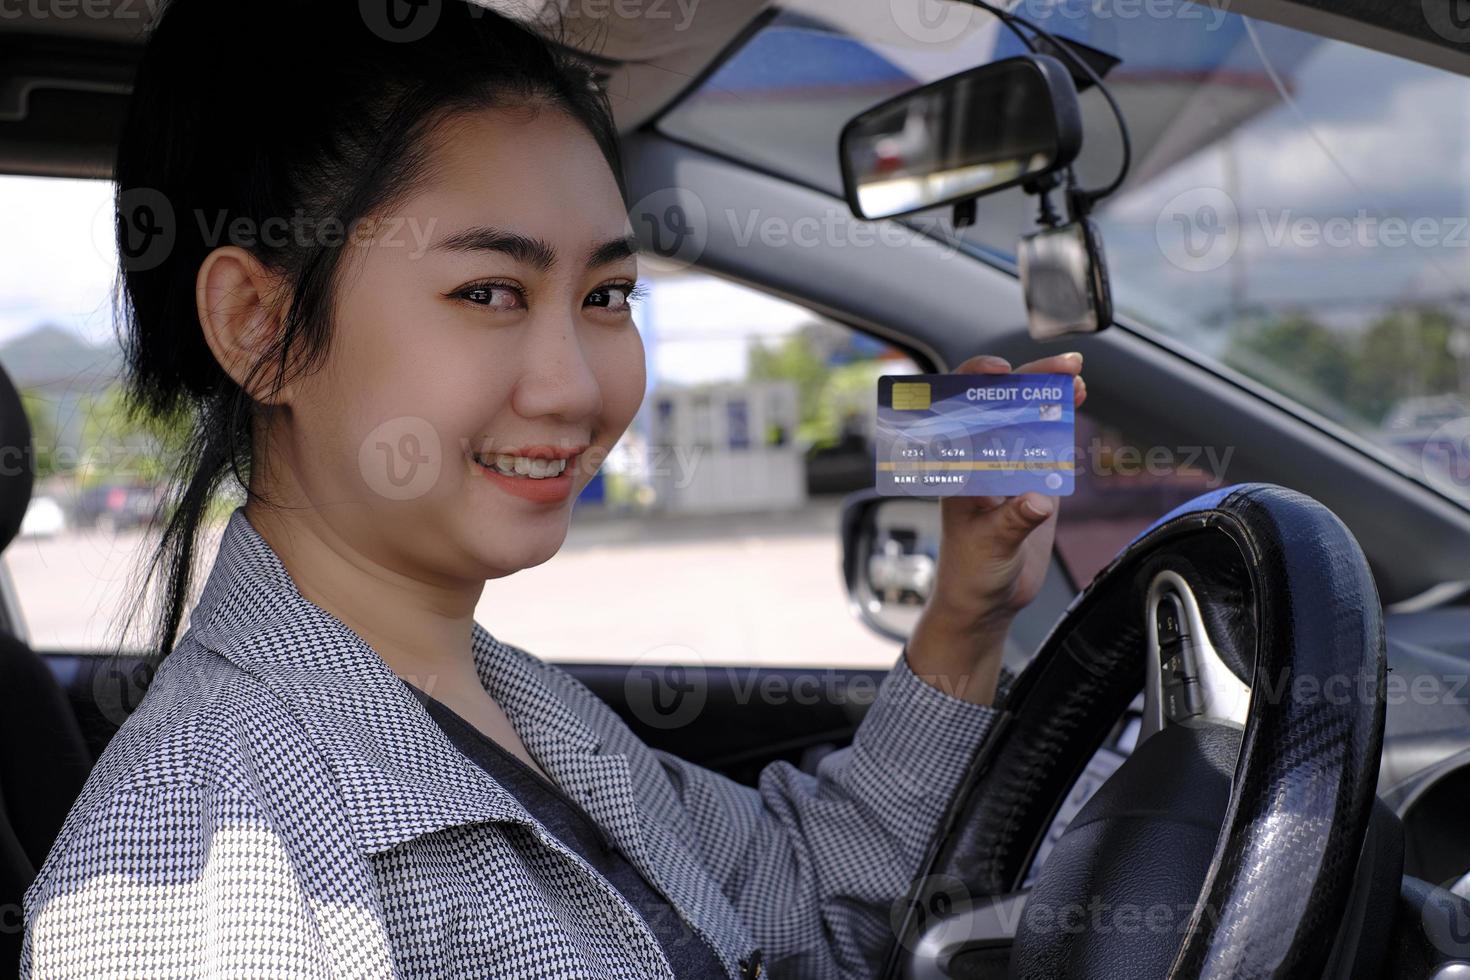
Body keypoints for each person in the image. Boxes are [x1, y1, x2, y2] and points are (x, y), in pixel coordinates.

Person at [18, 1, 1086, 977]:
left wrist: (968, 608)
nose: (577, 385)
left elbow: (807, 903)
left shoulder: (517, 700)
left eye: (608, 294)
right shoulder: (200, 865)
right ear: (260, 328)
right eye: (489, 291)